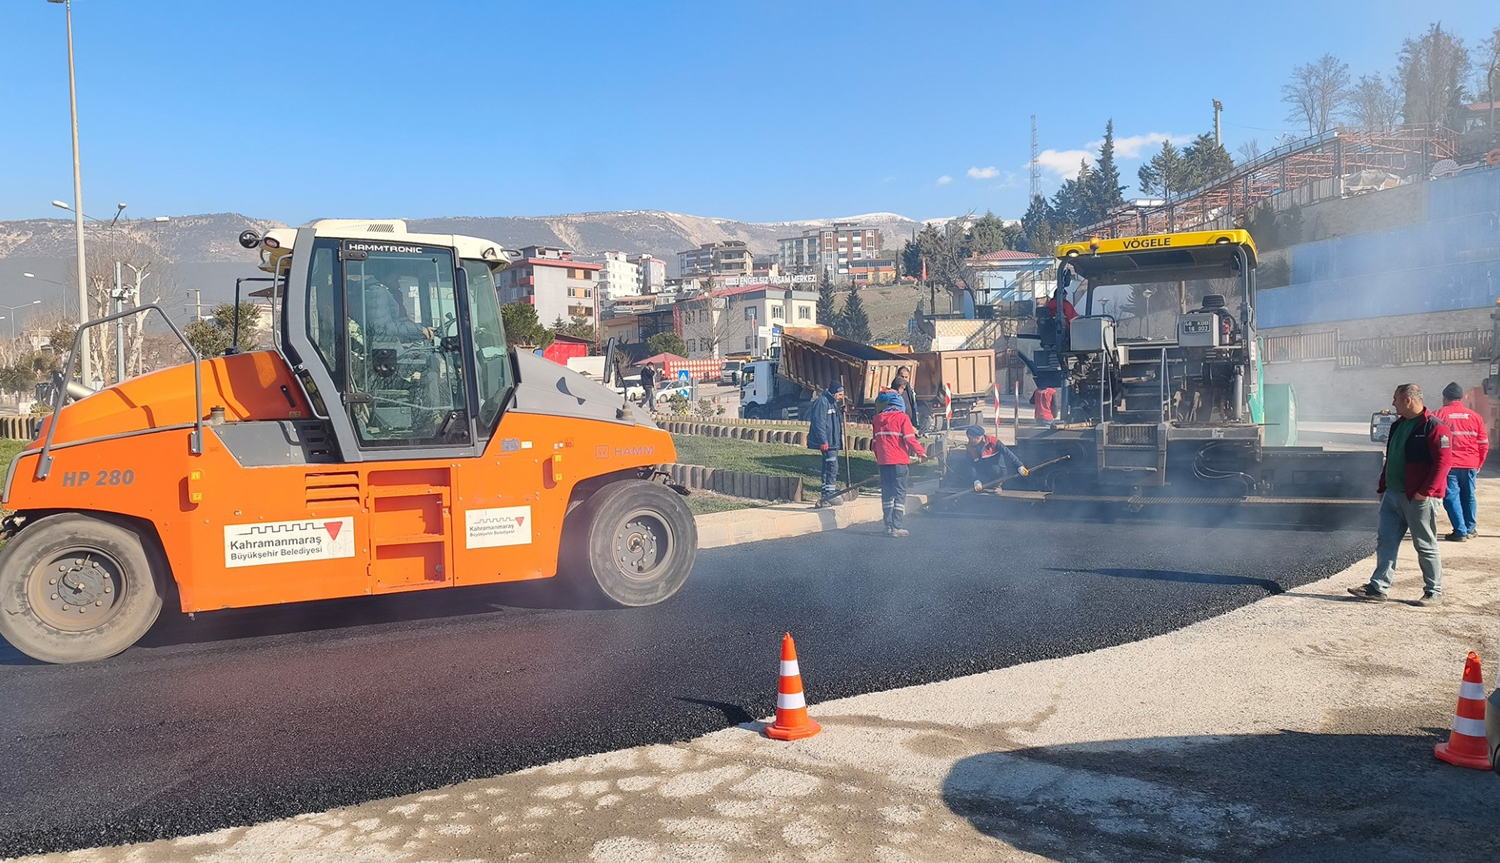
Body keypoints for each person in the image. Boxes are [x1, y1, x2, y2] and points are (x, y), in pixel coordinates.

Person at [1348, 383, 1453, 606]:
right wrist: (1383, 486)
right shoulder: (1398, 425)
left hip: (1418, 499)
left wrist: (1425, 492)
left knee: (1425, 544)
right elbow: (1392, 457)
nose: (1392, 404)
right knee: (1385, 541)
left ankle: (1434, 592)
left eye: (1395, 399)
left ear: (1408, 400)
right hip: (1393, 495)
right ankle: (1378, 588)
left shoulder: (1434, 427)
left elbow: (1444, 463)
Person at [1434, 381, 1488, 541]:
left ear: (1444, 398)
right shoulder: (1475, 417)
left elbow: (1431, 442)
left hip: (1448, 464)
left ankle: (1460, 531)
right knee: (1469, 495)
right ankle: (1470, 528)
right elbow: (1483, 444)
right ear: (1463, 397)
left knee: (1451, 496)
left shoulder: (1438, 415)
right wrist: (1479, 464)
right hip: (1471, 464)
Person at [872, 389, 926, 537]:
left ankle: (888, 525)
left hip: (883, 462)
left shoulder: (877, 419)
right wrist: (921, 453)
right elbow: (909, 439)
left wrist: (880, 458)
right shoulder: (902, 418)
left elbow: (875, 444)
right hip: (899, 462)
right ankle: (897, 526)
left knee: (887, 494)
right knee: (900, 494)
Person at [807, 380, 846, 507]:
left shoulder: (832, 402)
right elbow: (819, 423)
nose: (841, 397)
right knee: (832, 467)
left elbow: (834, 420)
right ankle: (830, 494)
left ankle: (825, 493)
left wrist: (841, 411)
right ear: (834, 393)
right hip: (828, 442)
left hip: (833, 441)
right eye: (840, 394)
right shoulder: (822, 402)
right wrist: (823, 441)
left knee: (828, 466)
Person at [963, 426, 1028, 486]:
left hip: (998, 472)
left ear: (978, 437)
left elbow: (1008, 453)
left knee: (994, 469)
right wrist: (976, 480)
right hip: (983, 474)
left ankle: (997, 485)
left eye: (970, 438)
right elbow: (970, 465)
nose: (969, 441)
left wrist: (1020, 465)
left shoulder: (993, 441)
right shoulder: (970, 447)